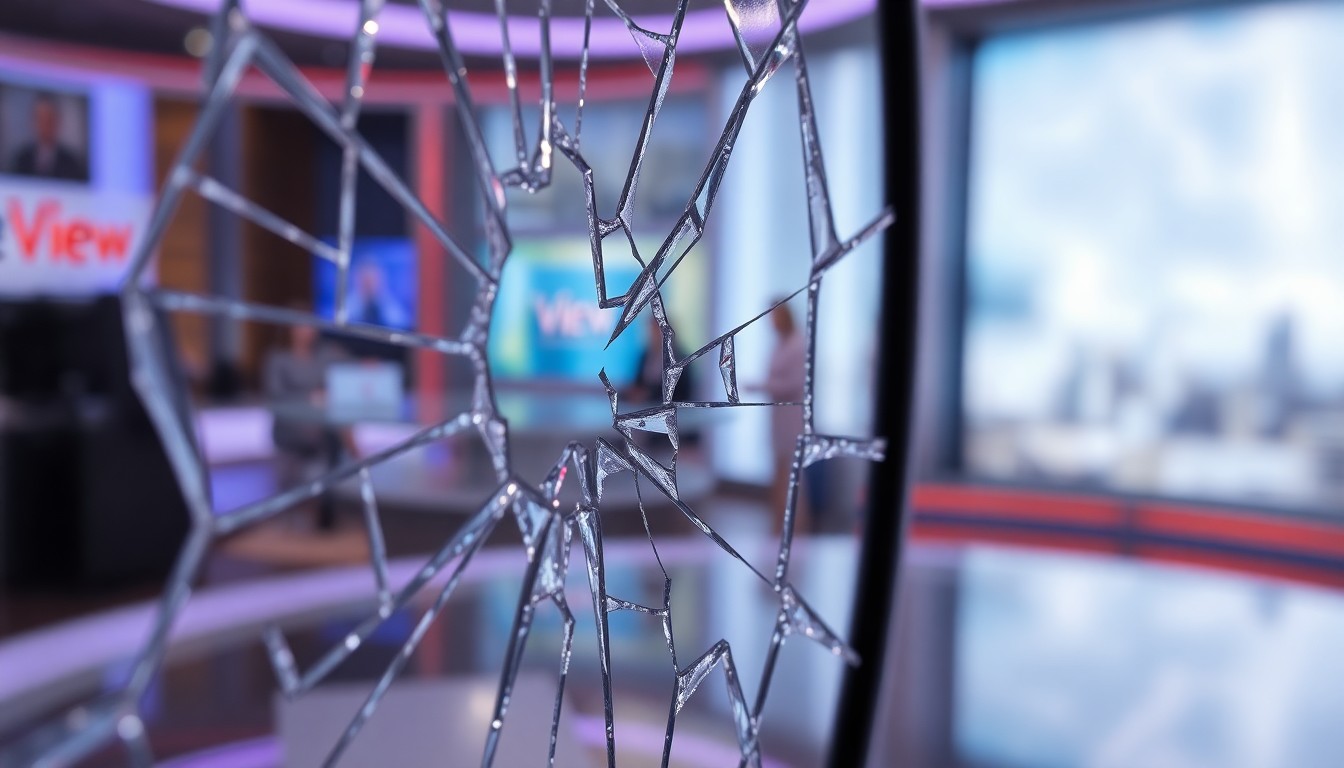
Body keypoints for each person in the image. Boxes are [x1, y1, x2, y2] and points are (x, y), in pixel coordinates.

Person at [265, 322, 352, 532]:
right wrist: (310, 398)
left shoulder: (324, 355)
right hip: (290, 425)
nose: (308, 331)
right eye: (302, 326)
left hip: (320, 425)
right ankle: (353, 454)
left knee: (336, 430)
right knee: (335, 433)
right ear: (290, 329)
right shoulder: (278, 358)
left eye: (310, 326)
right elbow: (275, 396)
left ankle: (327, 508)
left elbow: (349, 365)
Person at [8, 93, 87, 181]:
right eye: (40, 119)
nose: (44, 125)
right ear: (32, 121)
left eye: (48, 119)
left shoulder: (71, 163)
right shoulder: (21, 159)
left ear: (57, 122)